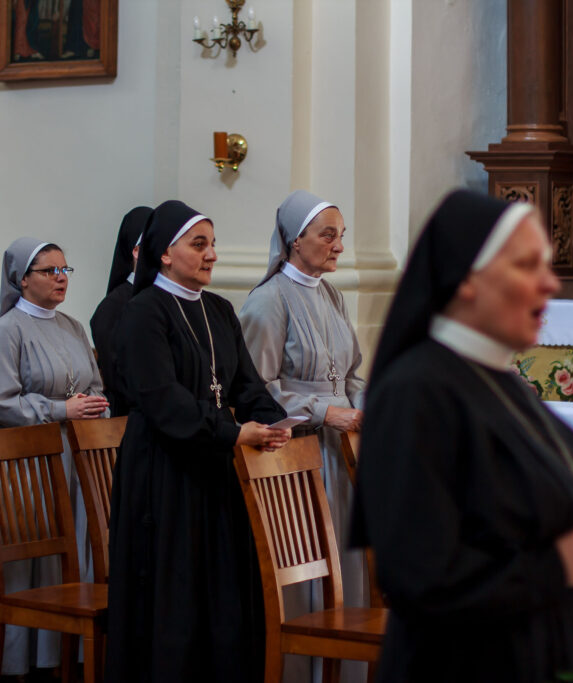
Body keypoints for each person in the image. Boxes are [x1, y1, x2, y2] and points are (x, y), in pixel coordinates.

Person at [351, 190, 573, 683]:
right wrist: (558, 565)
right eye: (527, 265)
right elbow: (417, 578)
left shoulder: (502, 383)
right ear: (467, 280)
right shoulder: (416, 392)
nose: (550, 283)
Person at [105, 200, 290, 683]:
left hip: (214, 467)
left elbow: (246, 385)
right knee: (174, 593)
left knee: (219, 590)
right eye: (199, 244)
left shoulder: (219, 309)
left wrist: (275, 421)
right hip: (163, 472)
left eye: (212, 244)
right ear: (164, 255)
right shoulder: (142, 312)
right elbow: (162, 400)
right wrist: (231, 431)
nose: (211, 254)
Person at [239, 189, 366, 683]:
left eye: (341, 236)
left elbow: (352, 373)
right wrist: (322, 410)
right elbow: (257, 391)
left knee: (345, 565)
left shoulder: (330, 293)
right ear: (295, 241)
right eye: (327, 235)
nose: (337, 246)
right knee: (305, 567)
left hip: (340, 452)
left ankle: (343, 671)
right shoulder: (268, 301)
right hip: (291, 455)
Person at [0, 237, 108, 677]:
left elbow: (96, 384)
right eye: (50, 271)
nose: (61, 278)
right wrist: (59, 410)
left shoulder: (72, 326)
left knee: (72, 550)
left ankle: (58, 655)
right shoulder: (4, 332)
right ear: (22, 279)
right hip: (20, 459)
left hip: (71, 452)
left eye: (65, 270)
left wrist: (94, 405)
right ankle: (16, 658)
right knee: (29, 557)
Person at [90, 205, 150, 414]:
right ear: (135, 251)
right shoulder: (112, 308)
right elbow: (118, 376)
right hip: (128, 418)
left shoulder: (166, 299)